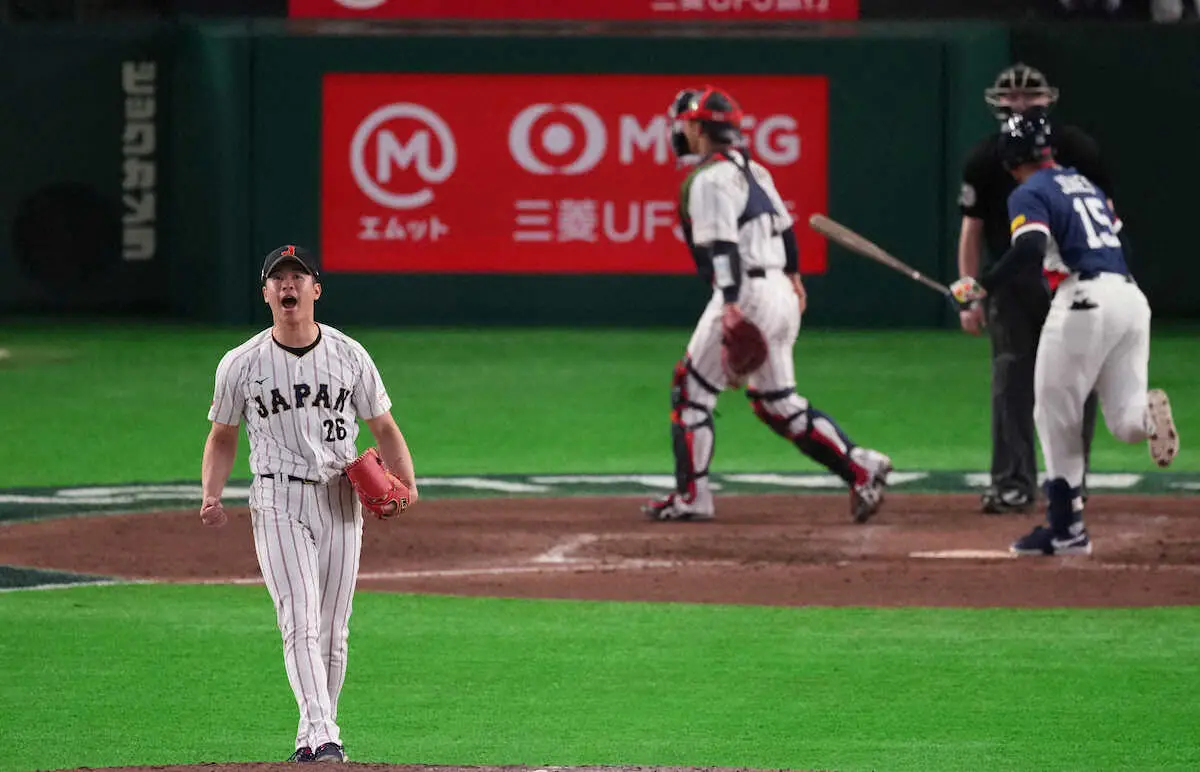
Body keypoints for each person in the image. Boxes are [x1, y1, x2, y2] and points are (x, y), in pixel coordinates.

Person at [199, 244, 419, 762]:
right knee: (299, 617)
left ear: (315, 290)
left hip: (340, 498)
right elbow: (222, 435)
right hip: (278, 498)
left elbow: (383, 426)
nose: (288, 285)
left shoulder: (350, 355)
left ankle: (311, 737)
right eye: (278, 279)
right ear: (267, 294)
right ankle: (325, 735)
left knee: (333, 629)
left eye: (298, 277)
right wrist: (211, 494)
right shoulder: (241, 364)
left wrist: (407, 484)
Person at [642, 86, 892, 524]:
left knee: (691, 391)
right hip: (779, 289)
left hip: (744, 290)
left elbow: (722, 247)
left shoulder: (708, 179)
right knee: (777, 401)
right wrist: (794, 279)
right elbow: (788, 231)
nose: (681, 133)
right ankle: (861, 465)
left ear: (700, 128)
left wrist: (732, 306)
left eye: (686, 125)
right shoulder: (756, 170)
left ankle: (692, 497)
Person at [950, 110, 1179, 556]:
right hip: (1130, 298)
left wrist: (981, 287)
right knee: (1123, 421)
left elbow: (1030, 247)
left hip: (1083, 301)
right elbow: (1122, 245)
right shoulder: (1085, 185)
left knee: (1054, 415)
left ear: (1010, 158)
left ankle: (1066, 527)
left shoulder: (1029, 192)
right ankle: (1148, 419)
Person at [956, 63, 1112, 514]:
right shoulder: (984, 158)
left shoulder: (1079, 149)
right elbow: (971, 231)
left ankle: (1071, 481)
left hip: (1071, 277)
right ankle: (1012, 483)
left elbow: (1103, 220)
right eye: (1011, 98)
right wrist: (972, 294)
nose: (1020, 105)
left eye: (1030, 98)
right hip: (1012, 284)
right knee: (1012, 381)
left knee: (1076, 381)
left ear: (1048, 102)